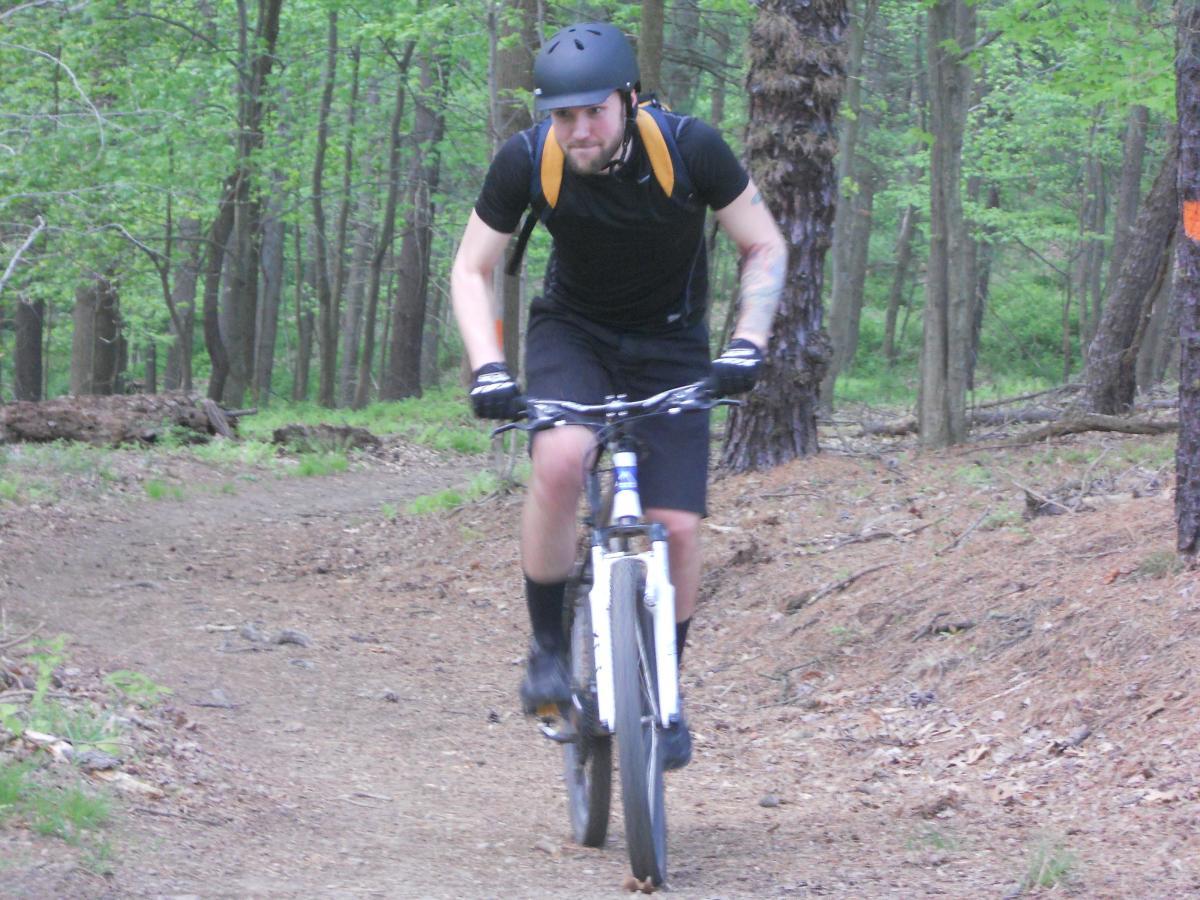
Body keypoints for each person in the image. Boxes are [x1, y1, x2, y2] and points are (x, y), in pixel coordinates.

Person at [450, 22, 786, 770]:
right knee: (563, 459)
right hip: (573, 333)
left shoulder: (690, 148)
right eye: (562, 115)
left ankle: (663, 690)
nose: (578, 129)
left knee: (678, 528)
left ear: (629, 100)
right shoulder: (528, 160)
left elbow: (762, 243)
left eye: (593, 111)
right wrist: (489, 368)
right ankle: (545, 648)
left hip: (670, 343)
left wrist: (746, 344)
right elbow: (473, 267)